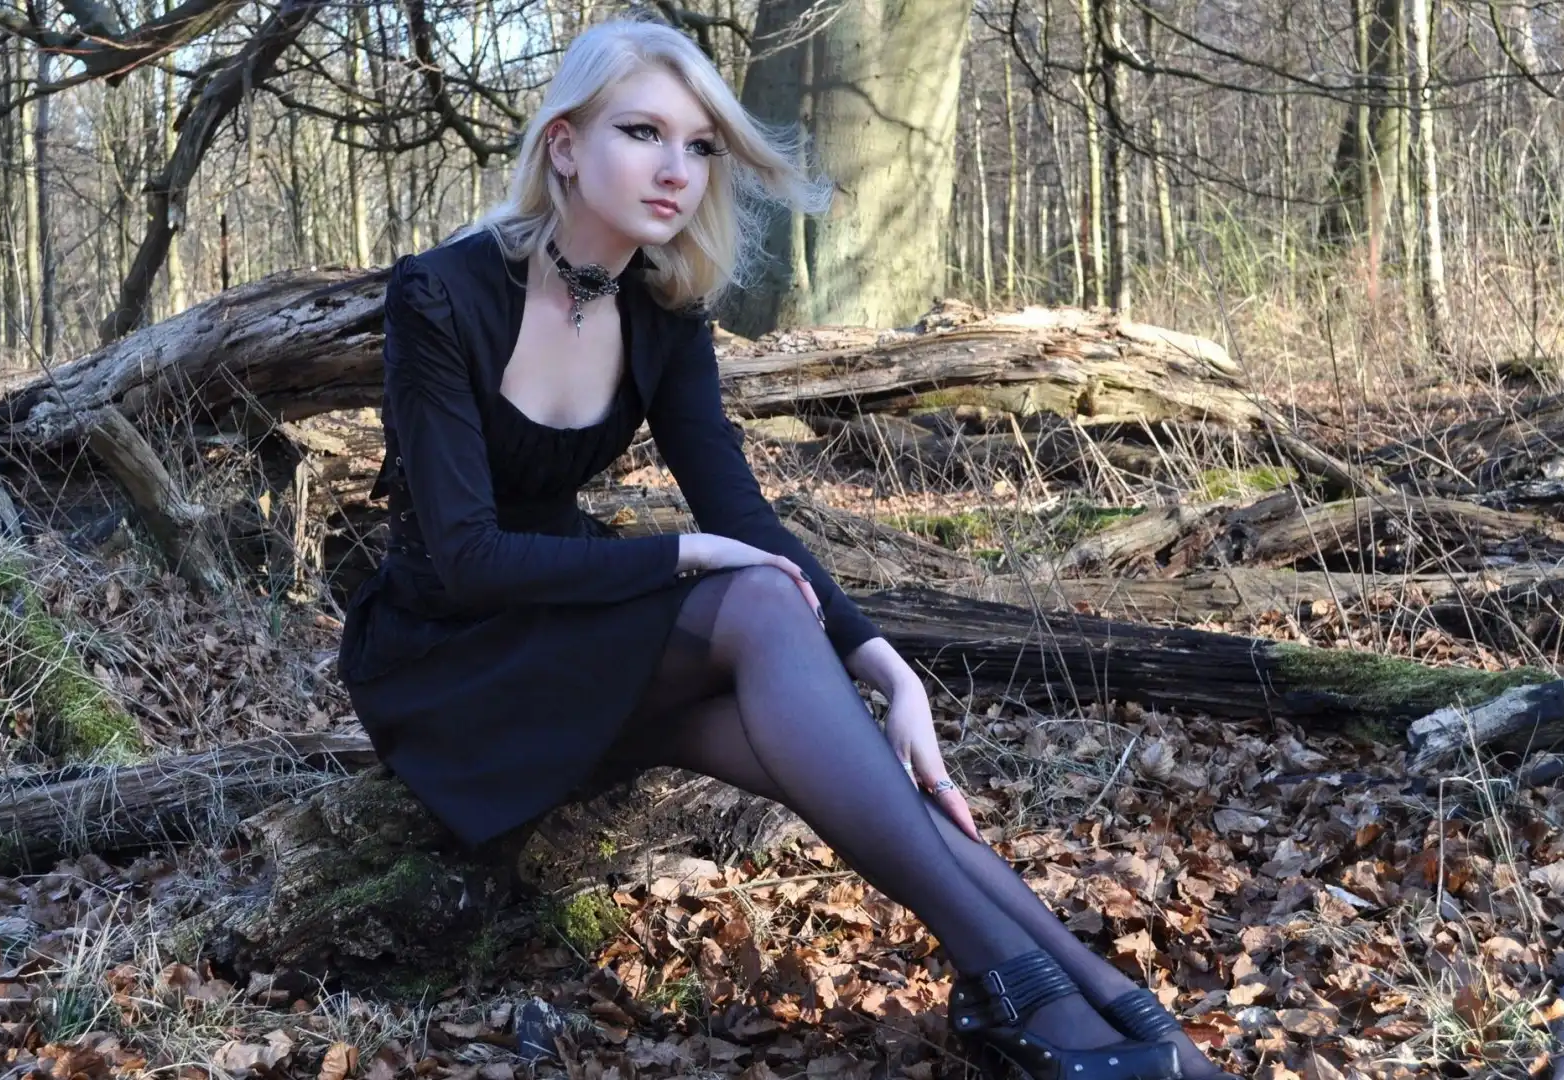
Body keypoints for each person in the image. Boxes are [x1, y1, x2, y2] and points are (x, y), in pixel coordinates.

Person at [335, 18, 1233, 1080]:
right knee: (753, 598)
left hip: (572, 634)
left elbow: (744, 514)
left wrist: (885, 666)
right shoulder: (441, 295)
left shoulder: (665, 310)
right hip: (451, 662)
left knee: (831, 717)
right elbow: (472, 558)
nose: (677, 168)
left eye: (701, 144)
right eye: (643, 132)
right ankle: (1063, 1013)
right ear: (565, 146)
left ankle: (1092, 1007)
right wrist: (681, 557)